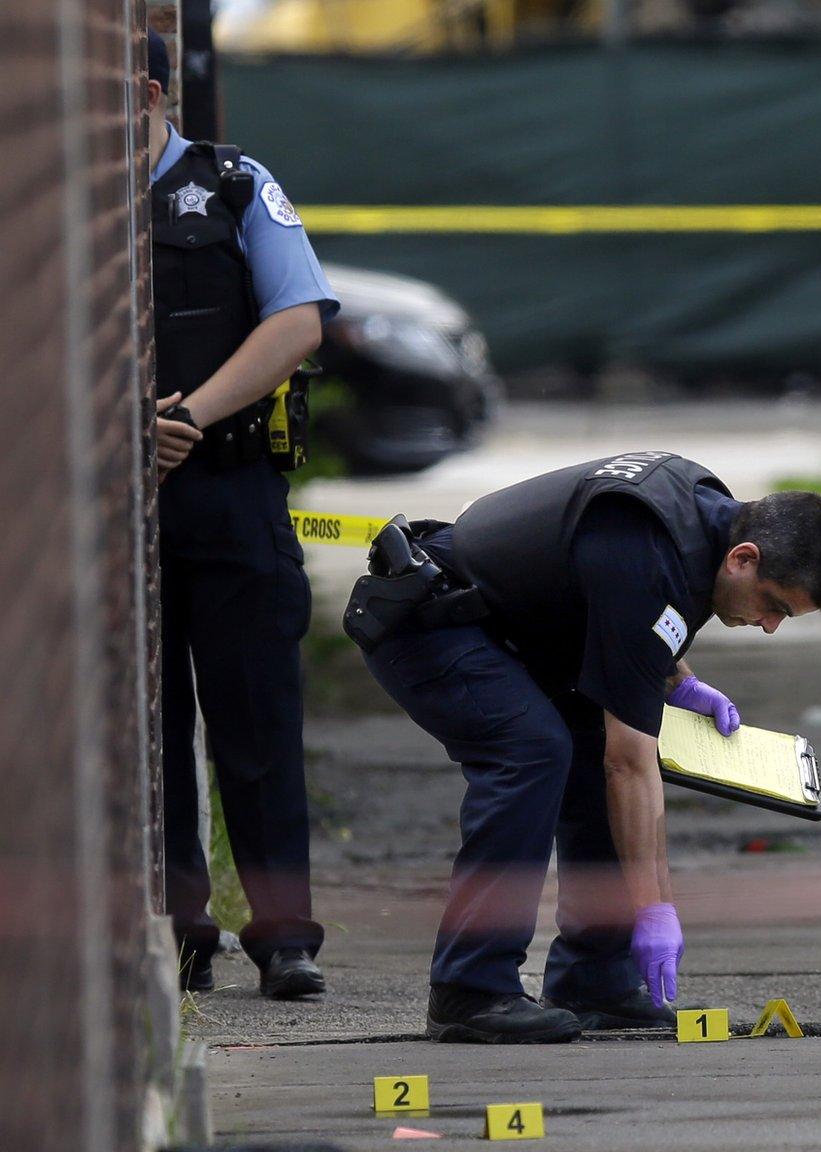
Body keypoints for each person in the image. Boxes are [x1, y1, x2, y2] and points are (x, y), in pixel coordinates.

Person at [352, 453, 821, 1043]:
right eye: (776, 606)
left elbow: (629, 616)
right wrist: (653, 910)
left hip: (503, 628)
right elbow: (631, 764)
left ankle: (595, 978)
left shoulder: (705, 517)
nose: (770, 625)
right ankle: (470, 988)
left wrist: (677, 680)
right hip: (430, 621)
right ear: (745, 559)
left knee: (586, 745)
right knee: (533, 751)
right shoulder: (648, 548)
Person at [146, 30, 338, 999]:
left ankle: (282, 935)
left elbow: (298, 320)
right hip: (124, 506)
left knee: (256, 722)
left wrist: (185, 416)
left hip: (230, 493)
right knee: (150, 732)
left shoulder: (230, 186)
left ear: (147, 91)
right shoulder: (66, 207)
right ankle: (181, 927)